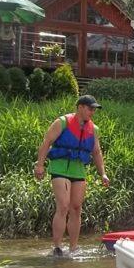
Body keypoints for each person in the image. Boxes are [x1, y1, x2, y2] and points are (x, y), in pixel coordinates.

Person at [35, 94, 109, 257]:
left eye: (94, 109)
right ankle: (57, 247)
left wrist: (102, 173)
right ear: (80, 107)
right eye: (90, 108)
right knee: (63, 205)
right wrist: (40, 165)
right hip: (60, 167)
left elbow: (96, 152)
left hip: (78, 170)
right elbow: (46, 142)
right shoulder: (62, 122)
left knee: (76, 208)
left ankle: (74, 248)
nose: (92, 112)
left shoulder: (94, 129)